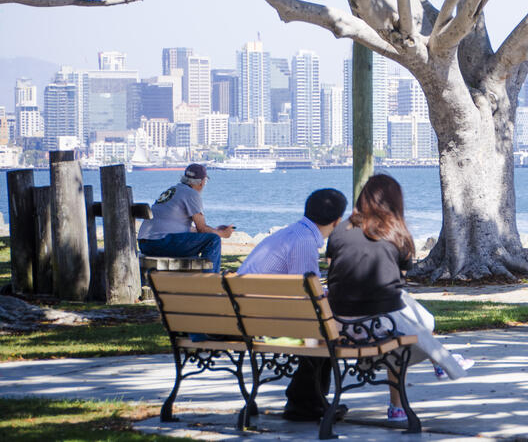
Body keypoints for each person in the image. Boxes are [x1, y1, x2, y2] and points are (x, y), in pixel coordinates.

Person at [326, 174, 473, 423]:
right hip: (379, 322)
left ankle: (404, 400)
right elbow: (399, 279)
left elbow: (333, 268)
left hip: (339, 324)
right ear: (395, 202)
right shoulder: (396, 234)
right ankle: (440, 360)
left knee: (405, 320)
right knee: (420, 323)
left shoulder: (340, 231)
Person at [236, 188, 348, 423]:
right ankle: (306, 402)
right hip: (265, 322)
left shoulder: (288, 233)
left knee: (322, 326)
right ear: (337, 221)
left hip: (246, 315)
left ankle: (306, 398)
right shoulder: (304, 241)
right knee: (326, 329)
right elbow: (308, 294)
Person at [137, 164, 232, 272]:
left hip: (145, 244)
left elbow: (187, 229)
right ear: (202, 182)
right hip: (161, 242)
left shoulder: (173, 190)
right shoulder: (192, 194)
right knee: (213, 240)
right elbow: (202, 229)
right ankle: (210, 281)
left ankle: (198, 279)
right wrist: (223, 234)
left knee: (208, 238)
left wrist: (215, 230)